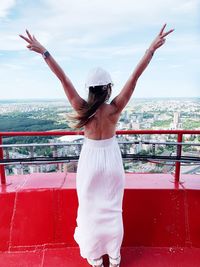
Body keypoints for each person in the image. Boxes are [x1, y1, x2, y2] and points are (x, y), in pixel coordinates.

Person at [19, 24, 174, 267]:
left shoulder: (83, 109)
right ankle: (114, 257)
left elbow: (63, 78)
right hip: (111, 159)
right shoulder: (114, 109)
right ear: (108, 88)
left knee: (89, 211)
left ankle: (94, 258)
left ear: (90, 90)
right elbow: (134, 77)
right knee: (113, 210)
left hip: (91, 160)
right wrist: (151, 49)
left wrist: (45, 52)